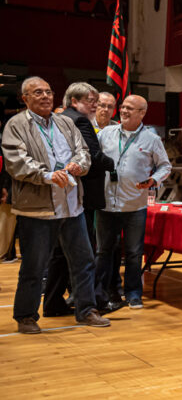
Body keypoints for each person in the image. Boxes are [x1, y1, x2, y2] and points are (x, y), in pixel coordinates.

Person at [2, 77, 110, 333]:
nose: (45, 96)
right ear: (25, 98)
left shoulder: (64, 122)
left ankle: (86, 310)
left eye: (49, 91)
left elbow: (82, 150)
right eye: (37, 92)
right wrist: (47, 175)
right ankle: (26, 316)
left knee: (83, 261)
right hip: (37, 209)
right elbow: (16, 160)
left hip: (73, 205)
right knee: (34, 265)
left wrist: (79, 165)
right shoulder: (16, 125)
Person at [43, 83, 118, 317]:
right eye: (90, 100)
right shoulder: (80, 120)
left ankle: (53, 302)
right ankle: (91, 304)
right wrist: (112, 163)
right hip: (81, 194)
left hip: (63, 194)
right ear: (74, 101)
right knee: (83, 253)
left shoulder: (57, 119)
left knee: (59, 252)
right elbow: (93, 158)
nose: (95, 105)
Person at [96, 94, 172, 309]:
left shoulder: (152, 139)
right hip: (107, 204)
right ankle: (99, 293)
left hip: (134, 205)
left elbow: (165, 166)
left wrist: (153, 180)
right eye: (123, 107)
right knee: (103, 251)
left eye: (130, 108)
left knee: (133, 253)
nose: (124, 111)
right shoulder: (106, 134)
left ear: (142, 113)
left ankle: (133, 294)